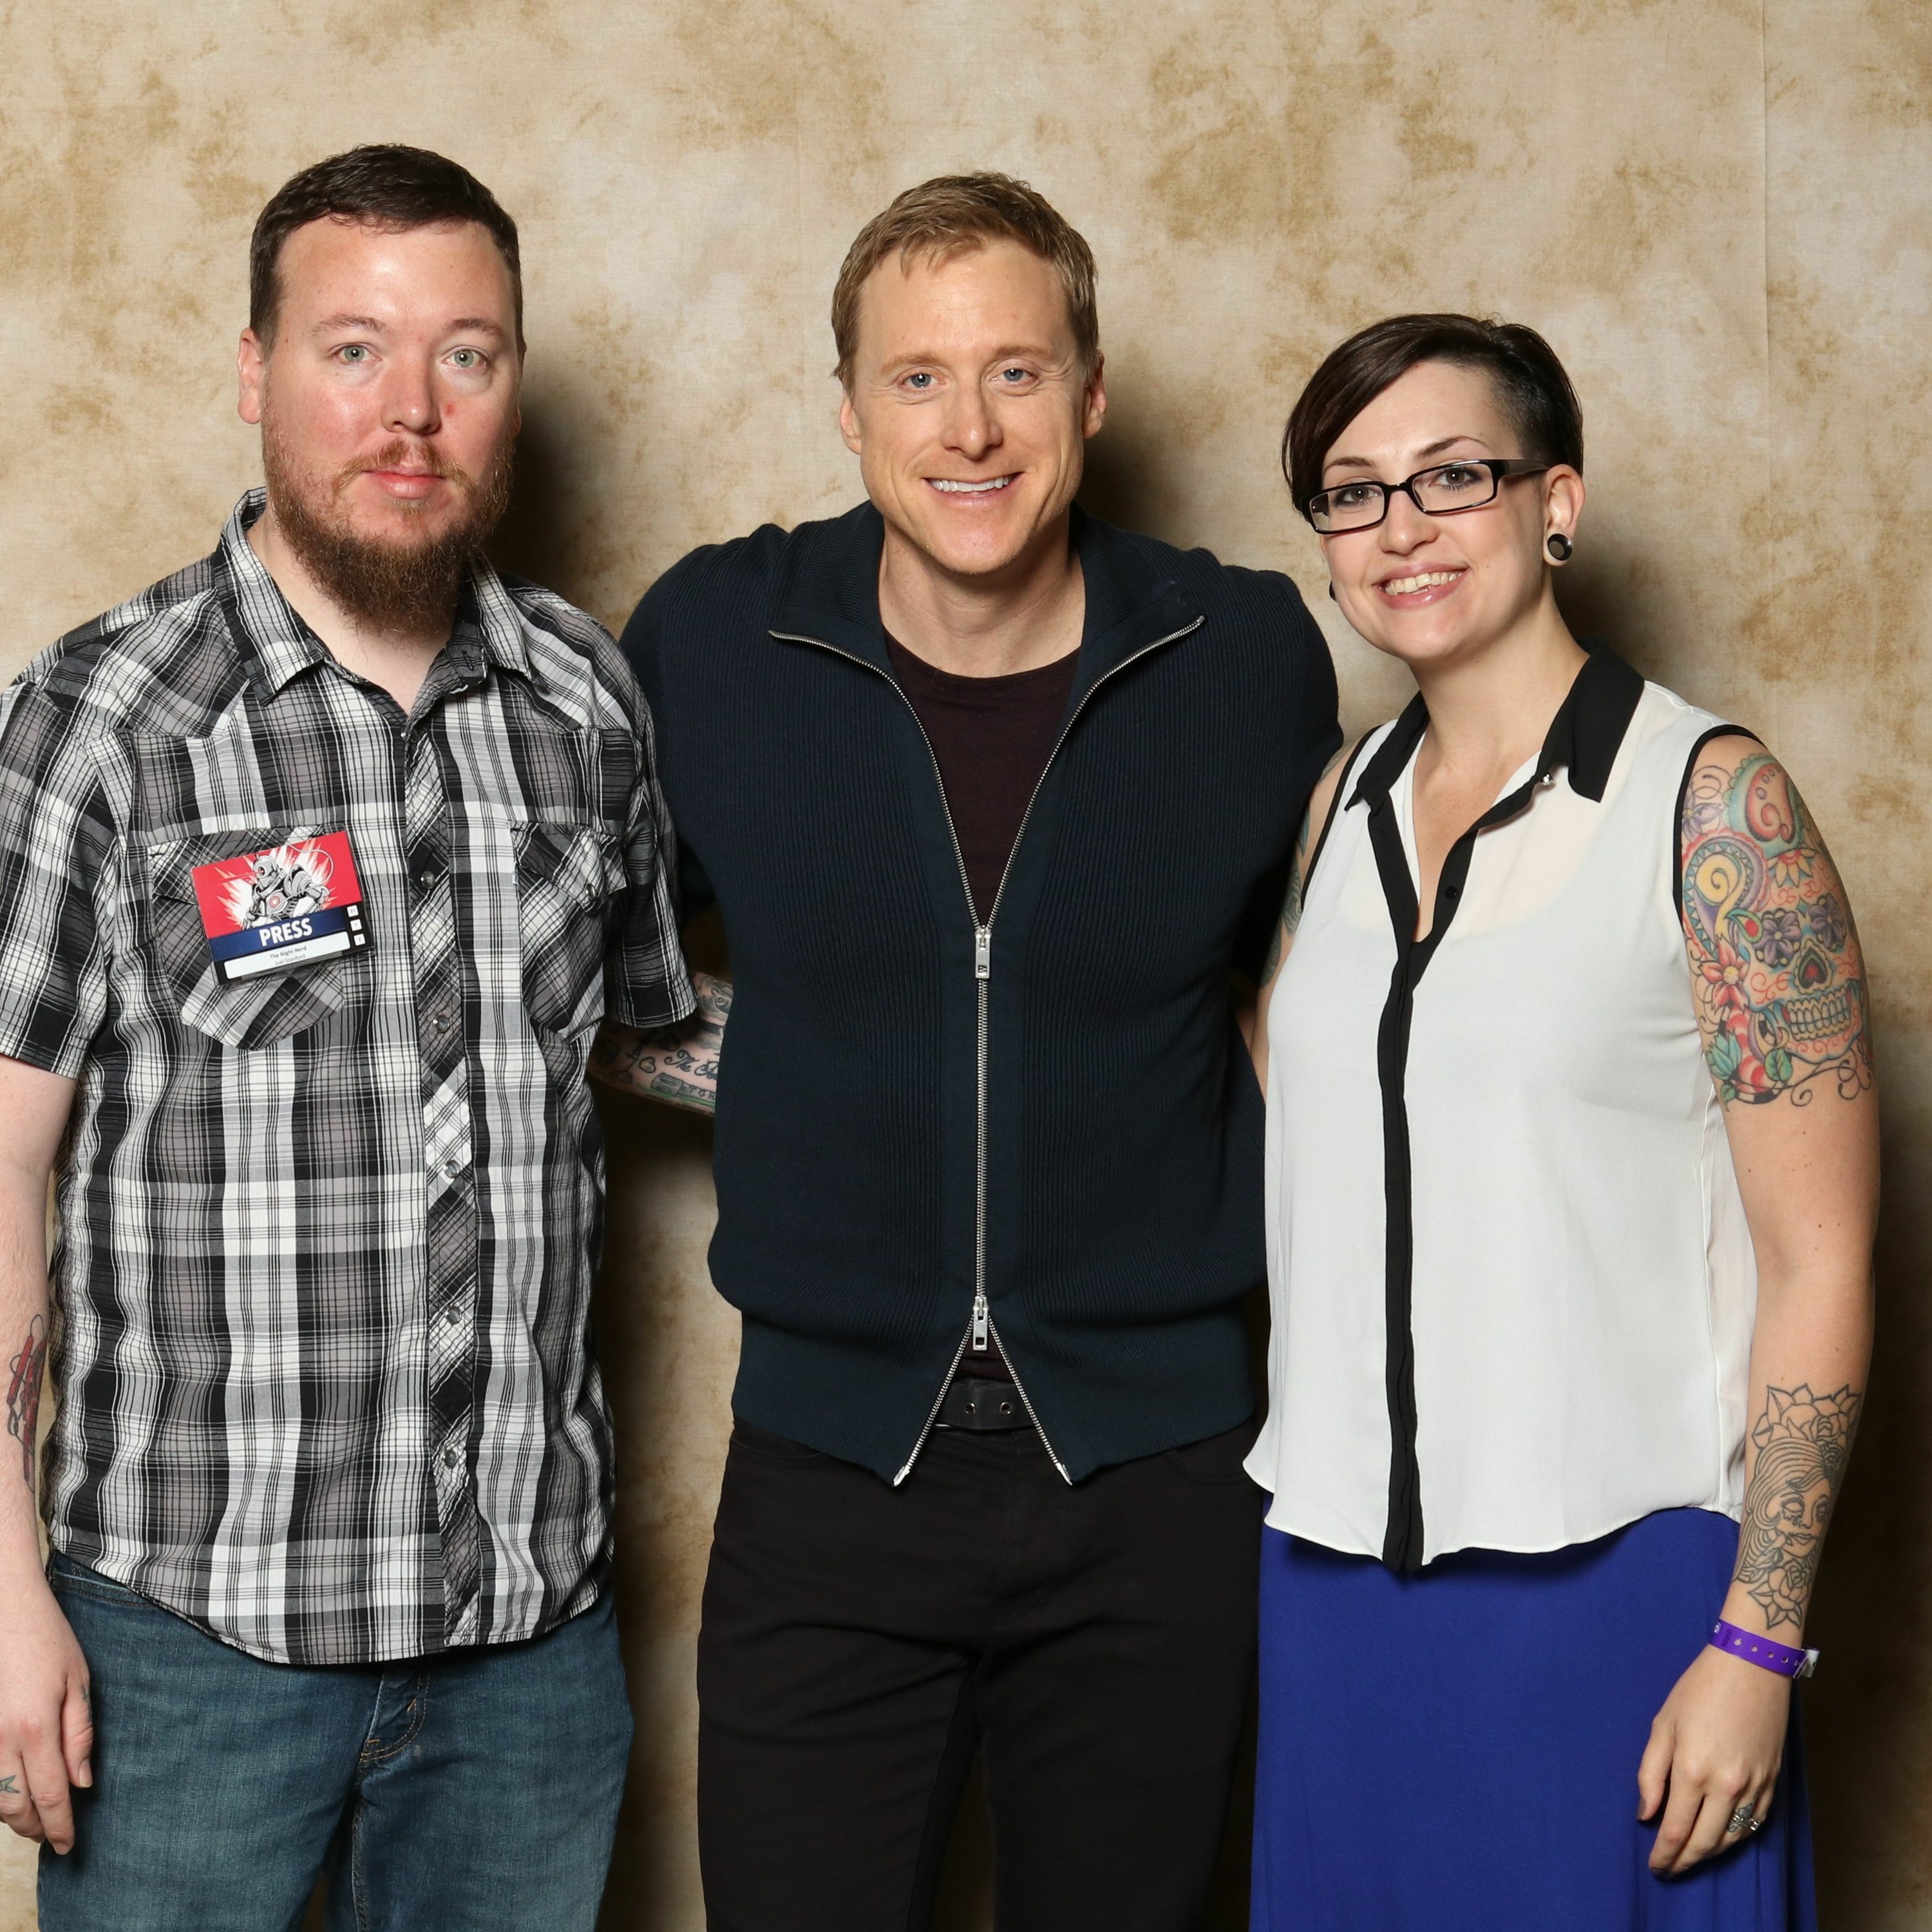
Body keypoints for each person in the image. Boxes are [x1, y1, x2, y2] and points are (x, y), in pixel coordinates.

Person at [592, 174, 1339, 1930]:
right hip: (831, 1474)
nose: (970, 427)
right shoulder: (717, 643)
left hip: (1160, 1479)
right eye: (917, 378)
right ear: (848, 411)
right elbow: (592, 976)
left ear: (1093, 392)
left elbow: (1322, 1010)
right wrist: (824, 1068)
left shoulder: (1240, 657)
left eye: (1017, 370)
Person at [0, 146, 692, 1929]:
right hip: (189, 1646)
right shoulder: (104, 717)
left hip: (527, 1650)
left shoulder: (585, 701)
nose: (412, 411)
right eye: (353, 350)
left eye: (467, 353)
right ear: (255, 372)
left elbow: (634, 1039)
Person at [1244, 313, 1875, 1928]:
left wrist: (1758, 1640)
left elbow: (1820, 1263)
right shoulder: (1340, 802)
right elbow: (1332, 1120)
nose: (1403, 526)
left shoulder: (1713, 806)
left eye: (1455, 475)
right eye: (1354, 491)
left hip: (1617, 1597)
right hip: (1333, 1586)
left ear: (1557, 502)